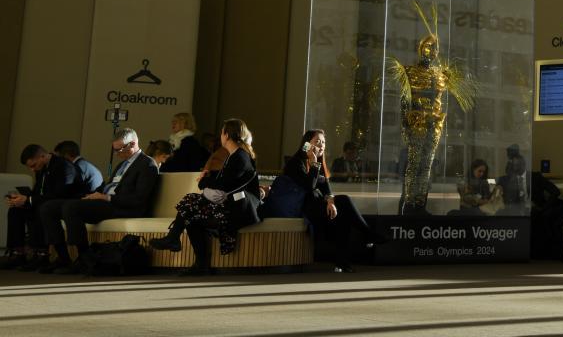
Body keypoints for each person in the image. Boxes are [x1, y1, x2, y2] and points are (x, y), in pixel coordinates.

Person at [38, 127, 159, 274]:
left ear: (133, 144)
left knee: (72, 207)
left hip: (123, 207)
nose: (117, 154)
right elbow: (110, 186)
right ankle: (63, 257)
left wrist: (106, 197)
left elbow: (139, 198)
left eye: (119, 150)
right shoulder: (122, 164)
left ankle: (84, 258)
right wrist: (96, 194)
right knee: (48, 207)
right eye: (114, 150)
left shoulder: (147, 164)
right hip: (105, 202)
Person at [150, 118, 260, 275]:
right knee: (191, 213)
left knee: (190, 205)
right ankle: (192, 256)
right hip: (231, 205)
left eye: (221, 133)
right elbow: (227, 181)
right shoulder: (236, 155)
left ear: (226, 135)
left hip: (238, 210)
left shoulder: (240, 157)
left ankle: (176, 240)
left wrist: (204, 181)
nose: (220, 136)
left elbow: (223, 185)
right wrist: (209, 178)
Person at [269, 129, 385, 272]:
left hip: (315, 205)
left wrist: (331, 202)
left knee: (342, 213)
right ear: (307, 144)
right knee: (344, 202)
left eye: (323, 142)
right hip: (301, 208)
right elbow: (309, 186)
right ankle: (367, 234)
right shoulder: (295, 162)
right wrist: (313, 163)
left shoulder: (318, 162)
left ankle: (343, 261)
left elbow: (326, 187)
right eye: (317, 142)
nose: (321, 145)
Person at [1, 144, 77, 271]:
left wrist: (29, 200)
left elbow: (60, 194)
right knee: (15, 209)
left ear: (42, 156)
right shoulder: (41, 168)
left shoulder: (63, 166)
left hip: (64, 203)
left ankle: (41, 254)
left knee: (39, 207)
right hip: (45, 202)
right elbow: (37, 192)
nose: (32, 170)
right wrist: (21, 198)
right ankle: (18, 253)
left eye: (33, 165)